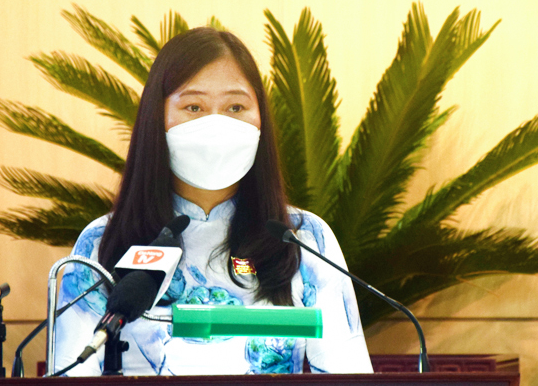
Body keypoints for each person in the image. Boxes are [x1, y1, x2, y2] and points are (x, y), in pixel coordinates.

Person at [53, 27, 373, 376]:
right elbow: (71, 374)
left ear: (260, 120)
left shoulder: (303, 239)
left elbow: (350, 378)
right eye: (194, 106)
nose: (216, 124)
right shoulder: (103, 242)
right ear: (155, 119)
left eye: (236, 107)